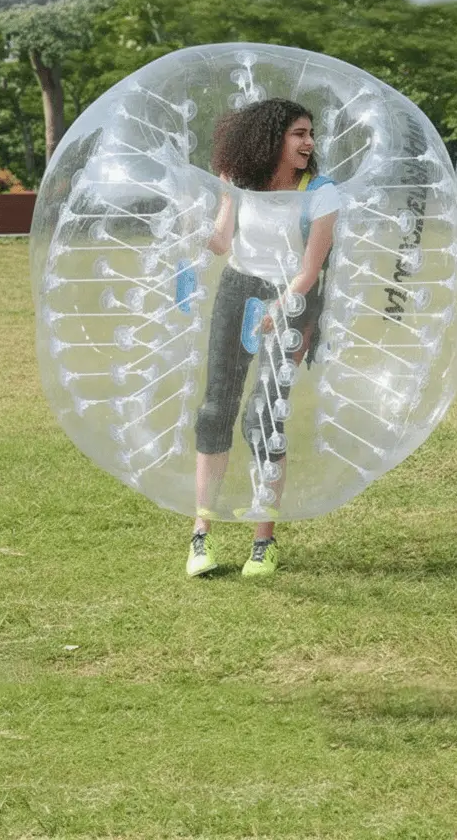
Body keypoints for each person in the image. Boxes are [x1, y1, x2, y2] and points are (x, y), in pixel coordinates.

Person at [186, 98, 340, 578]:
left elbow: (311, 270)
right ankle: (200, 534)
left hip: (292, 297)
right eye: (298, 133)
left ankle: (263, 540)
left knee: (264, 414)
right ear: (270, 138)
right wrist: (186, 226)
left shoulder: (321, 192)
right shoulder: (238, 180)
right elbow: (222, 242)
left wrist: (281, 306)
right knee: (216, 408)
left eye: (310, 133)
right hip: (237, 290)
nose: (309, 142)